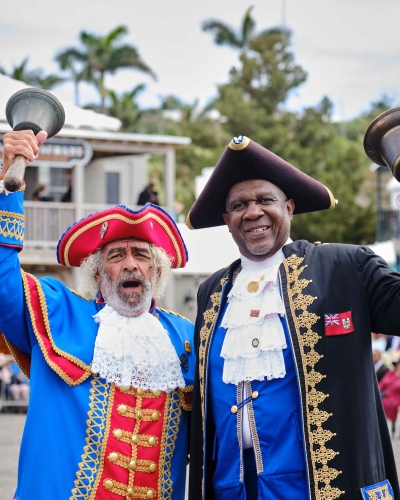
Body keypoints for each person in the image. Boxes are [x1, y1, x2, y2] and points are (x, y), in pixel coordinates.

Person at [187, 136, 400, 500]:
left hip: (324, 487)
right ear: (227, 220)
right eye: (239, 205)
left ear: (289, 207)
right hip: (233, 489)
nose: (252, 212)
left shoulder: (346, 266)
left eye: (265, 200)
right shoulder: (213, 290)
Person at [0, 129, 194, 499]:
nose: (131, 265)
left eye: (141, 254)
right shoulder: (58, 312)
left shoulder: (186, 337)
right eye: (116, 256)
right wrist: (8, 186)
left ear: (157, 270)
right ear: (96, 272)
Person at [379, 361, 400, 438]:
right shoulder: (390, 373)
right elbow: (381, 384)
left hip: (398, 402)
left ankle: (397, 433)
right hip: (386, 400)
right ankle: (387, 434)